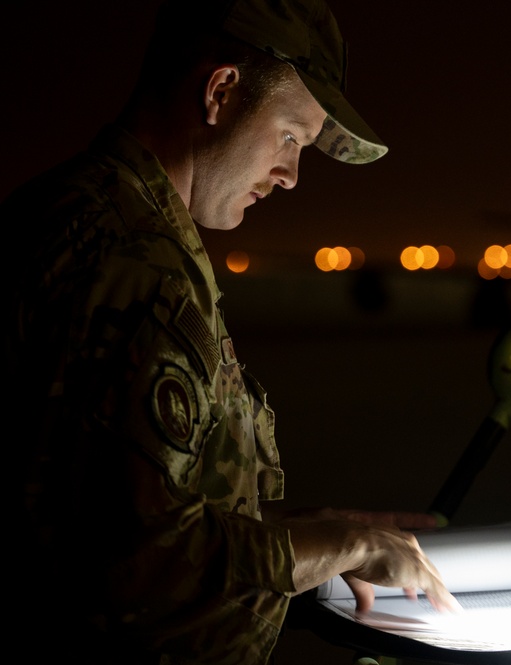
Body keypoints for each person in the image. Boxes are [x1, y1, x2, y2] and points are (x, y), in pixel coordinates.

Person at [4, 0, 456, 663]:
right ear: (221, 92)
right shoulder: (136, 262)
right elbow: (137, 566)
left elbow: (89, 503)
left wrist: (306, 534)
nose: (290, 175)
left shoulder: (92, 215)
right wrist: (345, 546)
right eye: (290, 137)